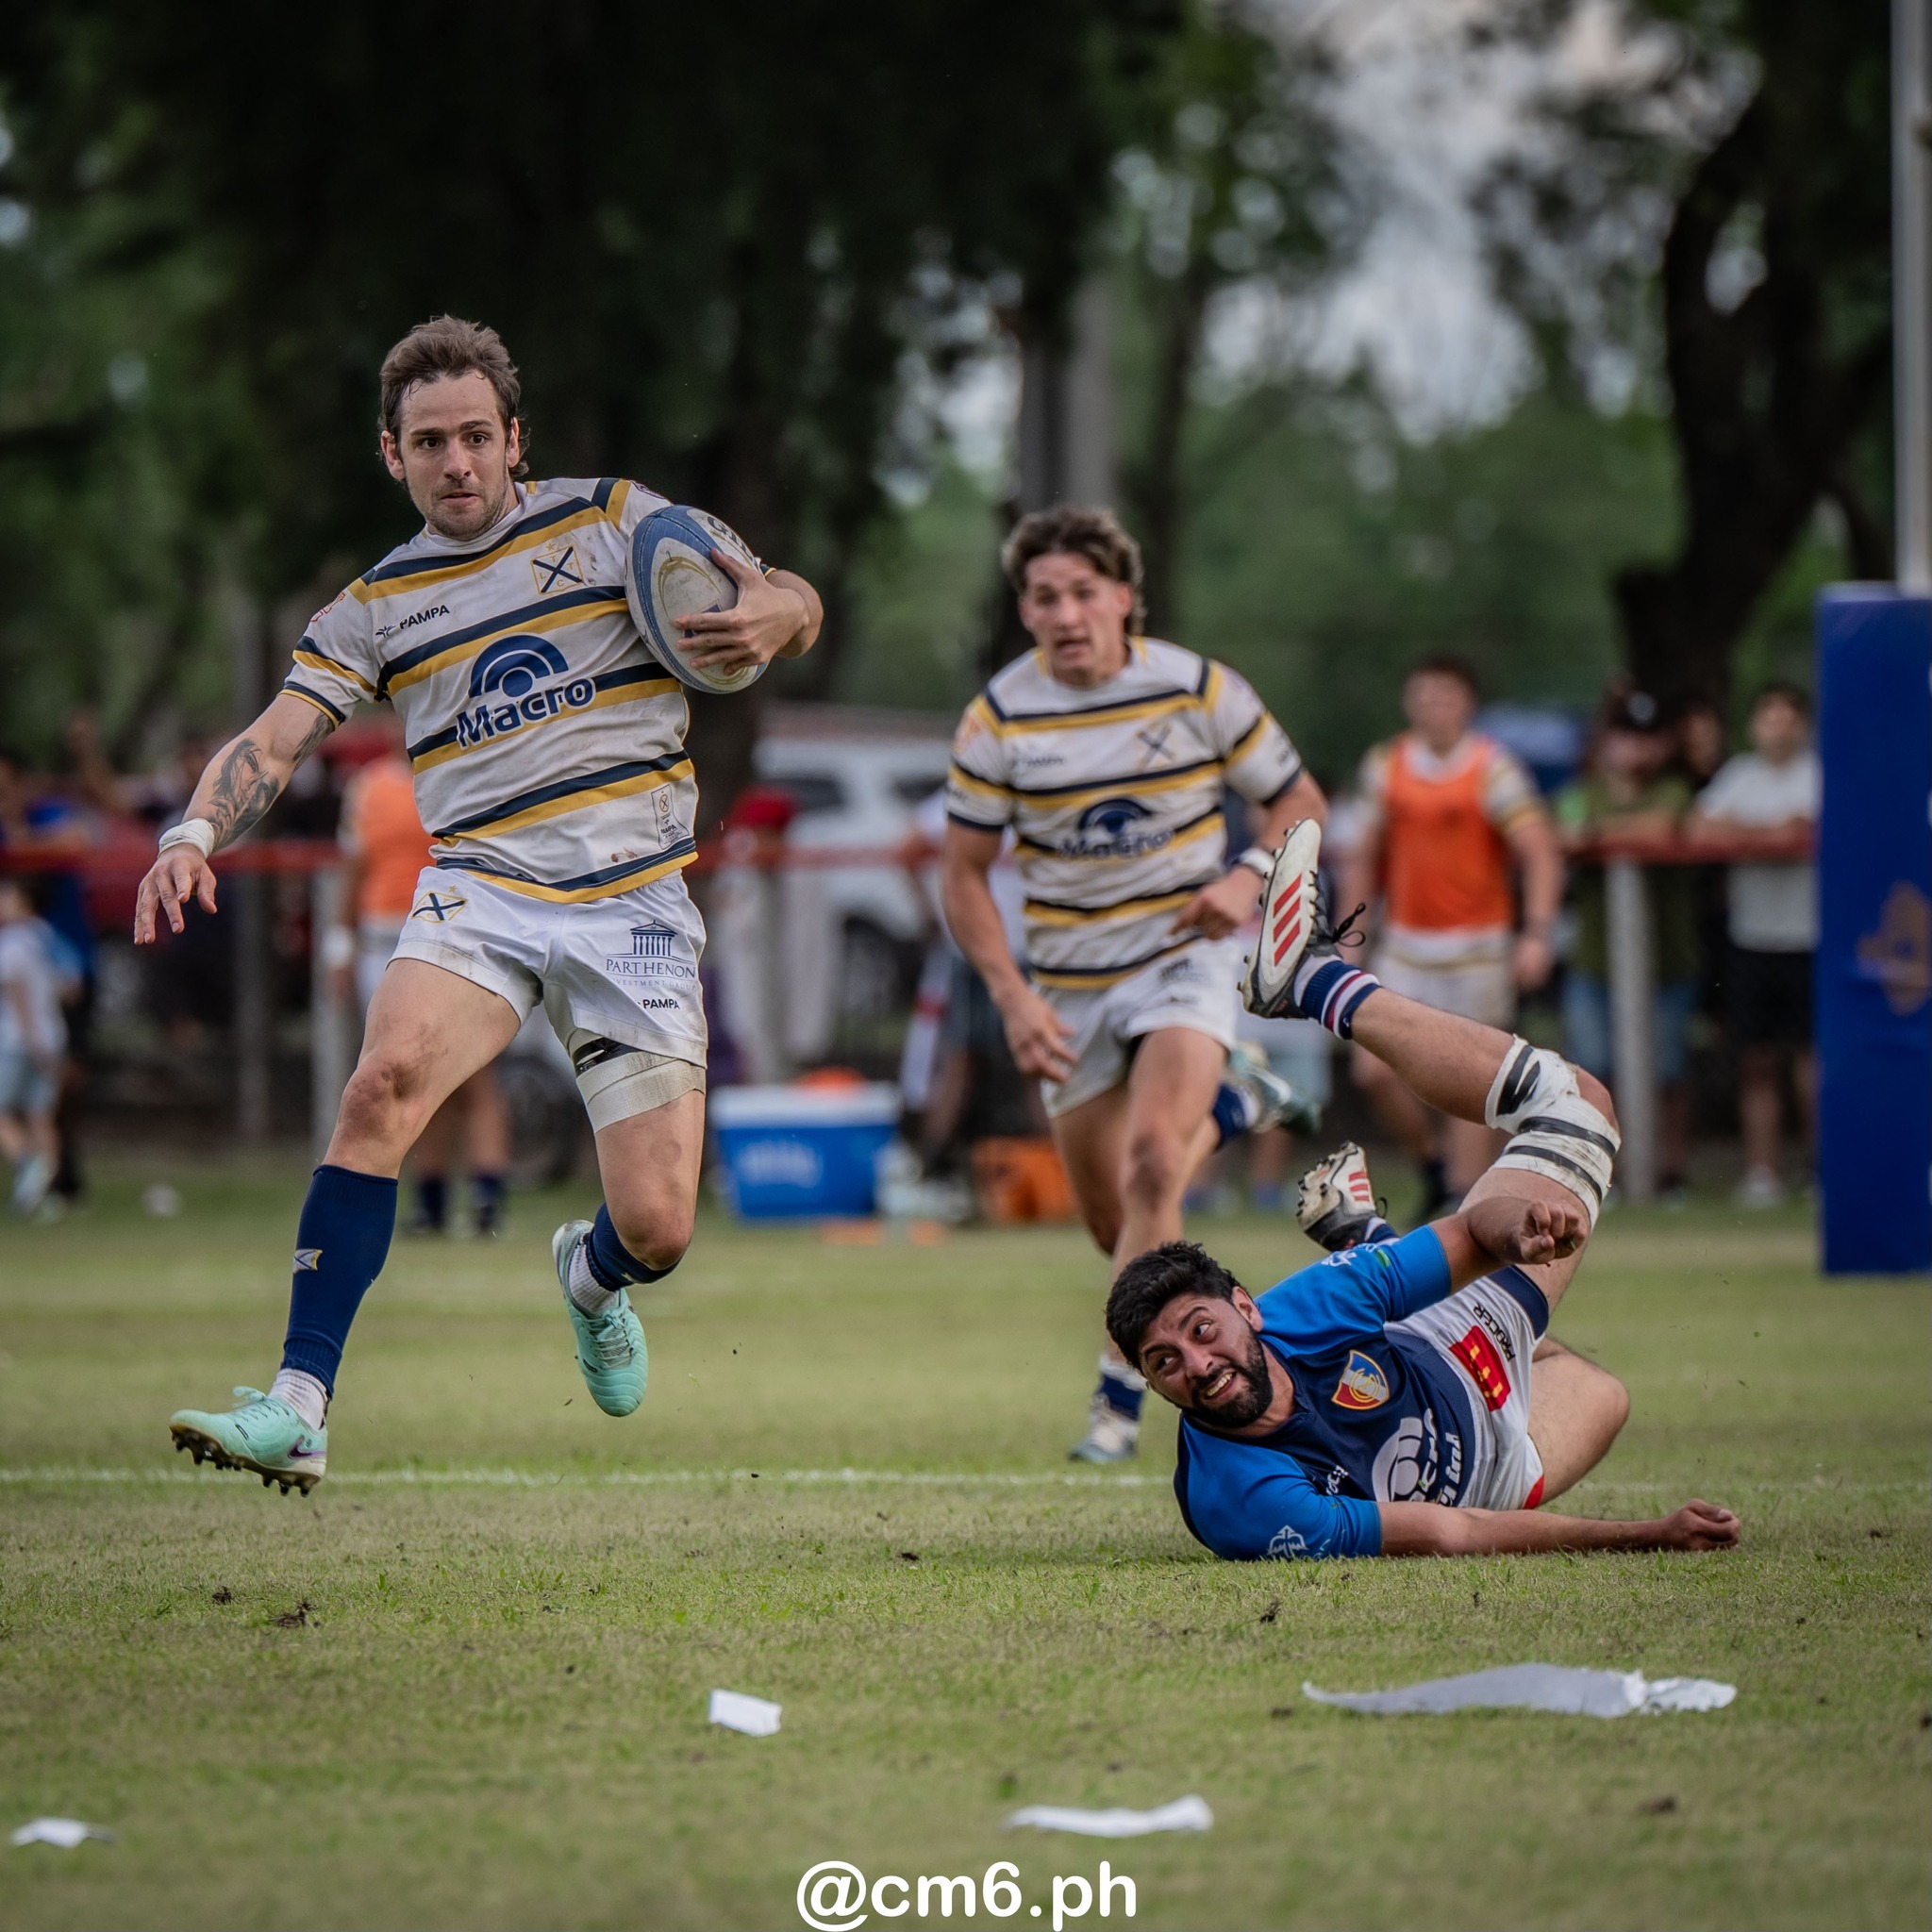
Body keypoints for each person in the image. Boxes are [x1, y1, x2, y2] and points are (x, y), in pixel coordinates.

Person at [142, 315, 823, 1492]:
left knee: (658, 1226)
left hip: (633, 901)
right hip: (484, 887)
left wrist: (779, 610)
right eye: (426, 442)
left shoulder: (616, 518)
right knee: (379, 1085)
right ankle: (299, 1405)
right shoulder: (376, 604)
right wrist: (195, 827)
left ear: (515, 439)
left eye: (473, 436)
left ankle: (590, 1276)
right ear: (391, 456)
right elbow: (275, 737)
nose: (454, 461)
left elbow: (783, 597)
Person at [1108, 820, 1740, 1561]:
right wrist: (1644, 1535)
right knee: (1604, 1393)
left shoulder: (1307, 1310)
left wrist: (1517, 1231)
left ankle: (1315, 982)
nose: (1197, 1364)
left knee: (1579, 1107)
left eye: (1201, 1329)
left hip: (1443, 1347)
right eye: (1165, 1362)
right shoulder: (1238, 1502)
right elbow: (1452, 1530)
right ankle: (1370, 1241)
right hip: (1493, 1473)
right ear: (1153, 1386)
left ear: (1247, 1307)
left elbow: (1476, 1236)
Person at [942, 505, 1326, 1463]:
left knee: (1155, 1163)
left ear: (1123, 595)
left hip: (1181, 961)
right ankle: (1234, 1108)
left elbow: (1299, 799)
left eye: (1082, 591)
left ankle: (1118, 1395)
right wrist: (1013, 998)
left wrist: (1243, 878)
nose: (1065, 612)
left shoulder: (1197, 687)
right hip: (1067, 985)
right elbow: (960, 874)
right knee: (1119, 1225)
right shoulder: (997, 717)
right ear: (1022, 609)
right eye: (1043, 596)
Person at [1341, 657, 1562, 1216]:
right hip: (1407, 947)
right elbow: (1362, 858)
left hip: (1479, 950)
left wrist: (1535, 933)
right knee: (1371, 1071)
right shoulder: (1387, 764)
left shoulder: (1492, 767)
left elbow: (1538, 850)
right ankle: (1433, 1164)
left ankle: (1464, 1206)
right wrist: (1350, 941)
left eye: (1446, 695)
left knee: (1470, 1089)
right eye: (1424, 695)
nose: (1434, 706)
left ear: (1467, 703)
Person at [326, 709, 510, 1236]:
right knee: (407, 1072)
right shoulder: (369, 788)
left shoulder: (466, 772)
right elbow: (354, 868)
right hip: (386, 935)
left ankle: (487, 1201)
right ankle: (430, 1203)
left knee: (475, 1074)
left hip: (456, 933)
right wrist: (341, 946)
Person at [1555, 689, 1701, 1198]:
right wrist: (1602, 831)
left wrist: (1598, 833)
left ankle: (1669, 1173)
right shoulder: (1580, 790)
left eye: (1648, 737)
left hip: (1669, 959)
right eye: (1625, 735)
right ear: (1606, 739)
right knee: (1592, 1071)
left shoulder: (1676, 788)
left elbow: (1663, 828)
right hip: (1594, 960)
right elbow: (1565, 834)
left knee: (1668, 1071)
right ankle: (1602, 1174)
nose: (1636, 748)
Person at [1688, 685, 1820, 1208]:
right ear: (1754, 726)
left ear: (1803, 726)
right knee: (1756, 1062)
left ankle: (1821, 1171)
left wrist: (1741, 833)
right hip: (1752, 940)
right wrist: (1773, 834)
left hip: (1811, 939)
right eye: (1769, 717)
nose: (1778, 728)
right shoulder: (1740, 775)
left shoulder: (1822, 775)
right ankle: (1762, 1174)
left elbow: (1810, 829)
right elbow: (1699, 829)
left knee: (1813, 1062)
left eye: (1789, 718)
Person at [0, 875, 67, 1216]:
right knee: (41, 1117)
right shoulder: (47, 936)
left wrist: (30, 1037)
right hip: (53, 1035)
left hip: (18, 1040)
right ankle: (48, 1196)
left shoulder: (12, 942)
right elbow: (72, 985)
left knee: (3, 1113)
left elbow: (18, 994)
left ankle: (30, 1168)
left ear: (23, 900)